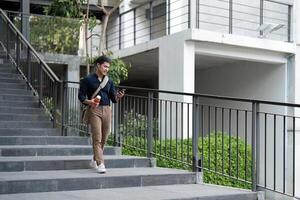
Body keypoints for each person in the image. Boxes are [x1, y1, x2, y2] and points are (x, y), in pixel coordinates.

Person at [78, 55, 125, 173]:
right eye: (105, 66)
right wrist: (90, 102)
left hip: (107, 110)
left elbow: (113, 99)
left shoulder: (109, 81)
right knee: (97, 137)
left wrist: (118, 96)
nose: (106, 69)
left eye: (108, 67)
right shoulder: (88, 80)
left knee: (104, 138)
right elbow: (81, 96)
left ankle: (95, 159)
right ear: (98, 65)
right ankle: (101, 163)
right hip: (94, 110)